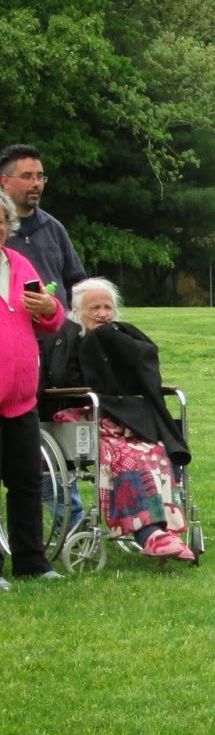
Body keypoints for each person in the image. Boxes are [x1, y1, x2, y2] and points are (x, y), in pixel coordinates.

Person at [42, 278, 196, 562]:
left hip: (125, 418)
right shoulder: (68, 339)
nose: (102, 313)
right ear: (77, 312)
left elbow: (145, 372)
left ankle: (165, 531)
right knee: (128, 456)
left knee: (158, 450)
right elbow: (62, 380)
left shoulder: (122, 337)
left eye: (107, 307)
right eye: (94, 308)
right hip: (84, 416)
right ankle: (148, 531)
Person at [0, 190, 66, 589]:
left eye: (2, 221)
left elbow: (49, 320)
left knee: (27, 482)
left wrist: (49, 309)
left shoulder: (20, 263)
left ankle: (31, 562)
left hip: (21, 396)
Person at [0, 144, 87, 308]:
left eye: (40, 177)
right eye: (27, 176)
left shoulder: (53, 228)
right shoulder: (2, 232)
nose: (36, 184)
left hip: (58, 330)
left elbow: (77, 284)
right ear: (5, 181)